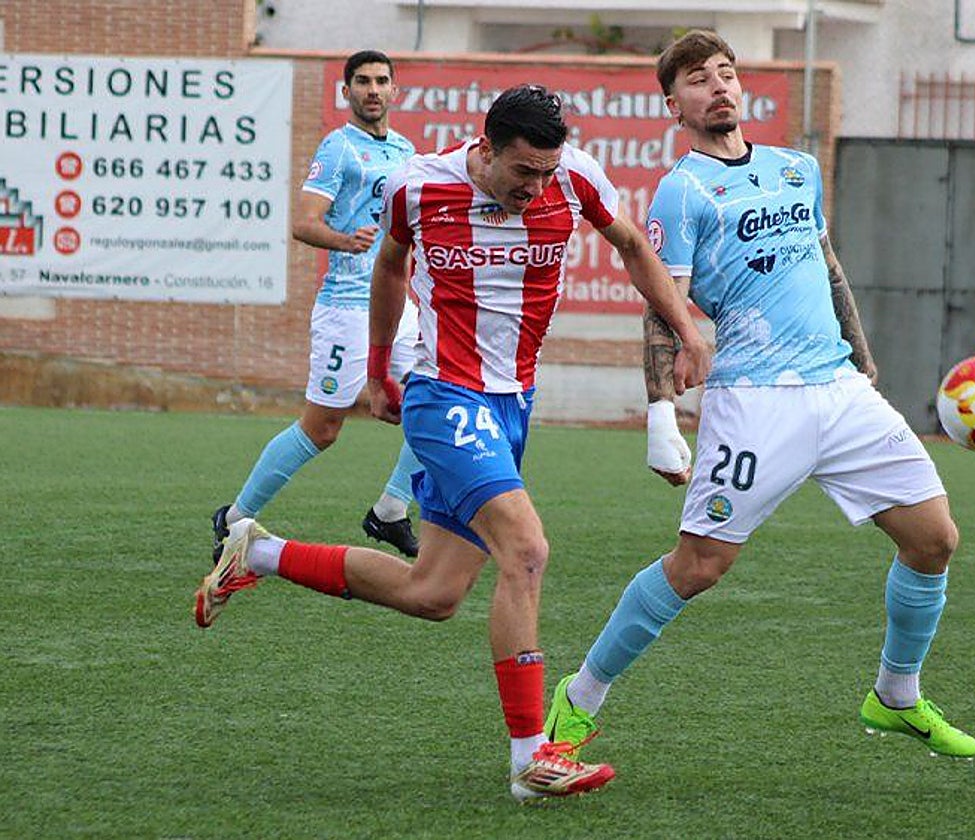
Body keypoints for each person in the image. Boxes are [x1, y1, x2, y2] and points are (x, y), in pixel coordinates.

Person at [193, 85, 712, 801]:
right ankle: (531, 758)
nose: (536, 188)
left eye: (546, 172)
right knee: (526, 550)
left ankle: (258, 550)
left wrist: (687, 330)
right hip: (444, 397)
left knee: (432, 593)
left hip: (512, 406)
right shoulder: (420, 186)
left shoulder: (576, 178)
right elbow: (390, 267)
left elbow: (629, 248)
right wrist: (381, 369)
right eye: (522, 172)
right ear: (488, 147)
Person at [544, 30, 975, 766]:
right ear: (673, 103)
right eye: (696, 80)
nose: (718, 87)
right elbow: (663, 305)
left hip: (839, 389)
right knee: (698, 566)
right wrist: (661, 414)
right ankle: (579, 697)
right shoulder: (681, 192)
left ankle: (895, 695)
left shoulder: (796, 169)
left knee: (934, 539)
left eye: (725, 74)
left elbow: (827, 264)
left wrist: (863, 359)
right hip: (755, 398)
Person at [211, 50, 423, 561]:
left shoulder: (406, 150)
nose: (373, 90)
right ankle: (235, 518)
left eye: (381, 81)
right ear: (346, 91)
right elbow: (304, 223)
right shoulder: (338, 149)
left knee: (434, 403)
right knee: (322, 429)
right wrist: (345, 240)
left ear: (395, 91)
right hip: (346, 307)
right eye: (363, 82)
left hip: (398, 304)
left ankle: (391, 509)